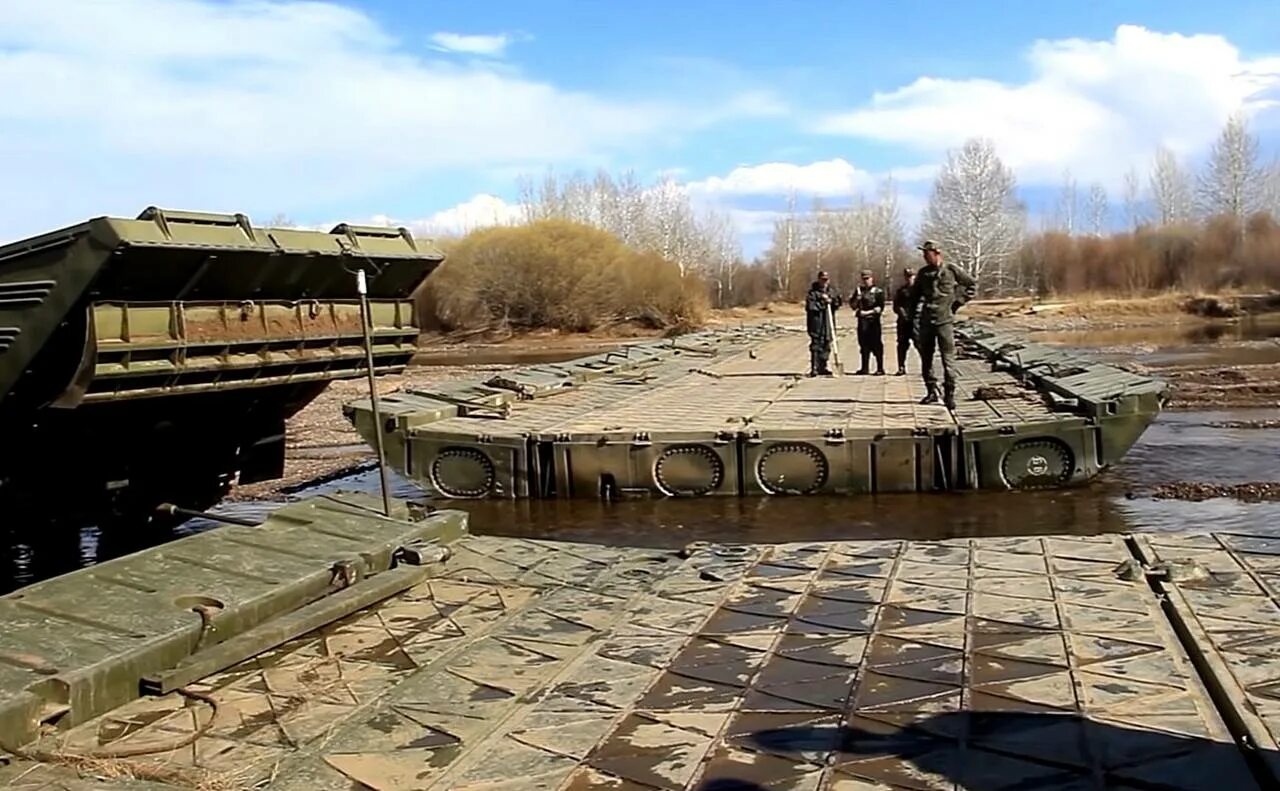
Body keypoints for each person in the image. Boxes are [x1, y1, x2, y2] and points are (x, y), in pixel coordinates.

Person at [908, 241, 977, 408]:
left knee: (948, 358)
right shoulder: (923, 274)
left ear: (936, 253)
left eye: (927, 254)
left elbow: (971, 285)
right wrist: (912, 317)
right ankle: (931, 391)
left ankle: (949, 393)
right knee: (926, 357)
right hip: (926, 322)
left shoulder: (951, 270)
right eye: (924, 254)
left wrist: (957, 303)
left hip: (944, 320)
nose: (925, 257)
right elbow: (914, 296)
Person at [804, 270, 842, 376]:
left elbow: (838, 303)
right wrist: (822, 302)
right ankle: (814, 367)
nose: (824, 282)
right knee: (816, 345)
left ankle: (823, 366)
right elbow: (811, 307)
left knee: (826, 344)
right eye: (822, 279)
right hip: (816, 322)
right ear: (819, 279)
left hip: (828, 322)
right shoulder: (812, 293)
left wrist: (832, 301)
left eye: (826, 280)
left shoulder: (832, 291)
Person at [850, 269, 886, 375]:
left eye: (868, 278)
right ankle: (864, 368)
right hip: (862, 323)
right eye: (864, 279)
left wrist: (866, 313)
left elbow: (879, 308)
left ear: (872, 278)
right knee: (863, 345)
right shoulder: (859, 291)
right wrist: (857, 299)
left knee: (876, 345)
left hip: (873, 322)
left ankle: (880, 368)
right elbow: (853, 306)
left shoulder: (878, 292)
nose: (866, 281)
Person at [892, 267, 916, 376]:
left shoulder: (920, 290)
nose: (909, 279)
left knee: (921, 345)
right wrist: (901, 312)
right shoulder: (901, 291)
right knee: (902, 345)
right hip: (903, 322)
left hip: (916, 322)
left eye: (911, 276)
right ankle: (901, 367)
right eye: (907, 276)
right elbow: (896, 306)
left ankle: (926, 368)